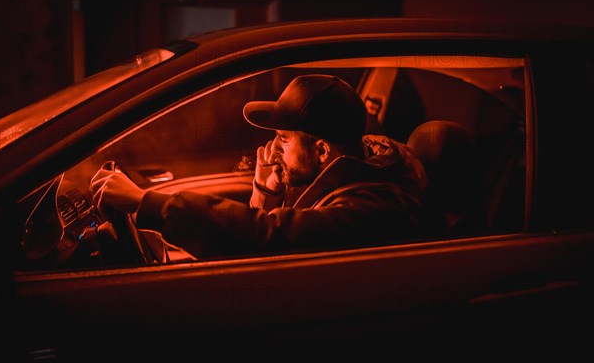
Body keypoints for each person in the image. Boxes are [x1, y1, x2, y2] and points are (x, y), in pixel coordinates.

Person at [90, 74, 427, 259]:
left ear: (322, 149)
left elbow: (270, 236)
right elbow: (268, 236)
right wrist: (267, 194)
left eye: (283, 138)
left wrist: (143, 201)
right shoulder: (350, 179)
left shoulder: (372, 207)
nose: (271, 149)